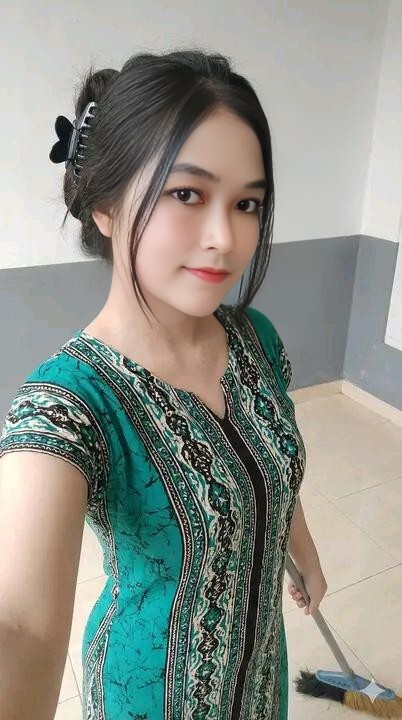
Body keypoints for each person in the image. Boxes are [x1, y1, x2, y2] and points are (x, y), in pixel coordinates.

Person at [0, 48, 327, 720]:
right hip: (151, 696)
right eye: (187, 194)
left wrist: (306, 555)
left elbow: (272, 468)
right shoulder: (68, 403)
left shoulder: (257, 340)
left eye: (247, 203)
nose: (225, 238)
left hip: (261, 676)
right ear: (105, 205)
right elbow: (22, 626)